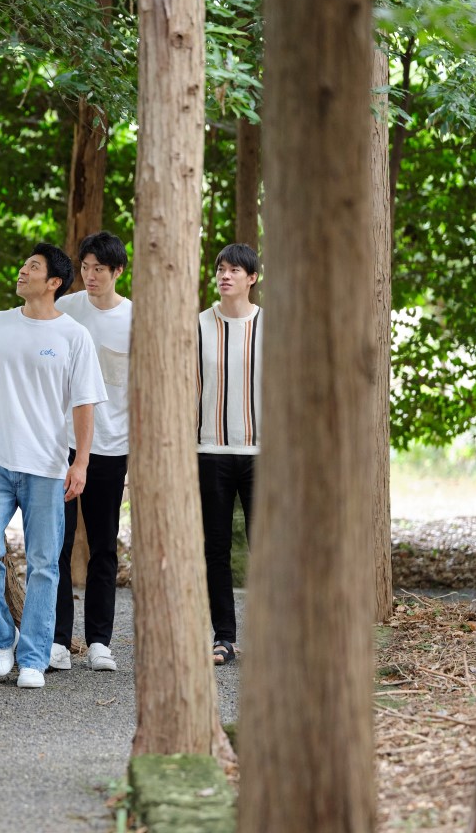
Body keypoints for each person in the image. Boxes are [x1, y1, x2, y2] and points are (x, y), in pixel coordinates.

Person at [0, 243, 107, 689]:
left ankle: (35, 657)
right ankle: (4, 638)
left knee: (44, 563)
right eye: (24, 265)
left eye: (32, 267)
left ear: (54, 282)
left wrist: (81, 462)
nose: (22, 271)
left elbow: (84, 406)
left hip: (46, 466)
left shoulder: (74, 336)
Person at [48, 232, 132, 673]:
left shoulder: (134, 319)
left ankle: (100, 640)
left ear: (117, 271)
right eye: (85, 267)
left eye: (100, 268)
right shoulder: (66, 309)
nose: (90, 275)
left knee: (103, 547)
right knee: (57, 545)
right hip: (61, 444)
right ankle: (59, 639)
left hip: (112, 447)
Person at [196, 243, 262, 666]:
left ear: (253, 277)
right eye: (221, 269)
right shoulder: (198, 324)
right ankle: (224, 638)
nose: (226, 275)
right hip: (209, 449)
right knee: (215, 549)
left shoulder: (271, 324)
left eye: (235, 270)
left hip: (262, 452)